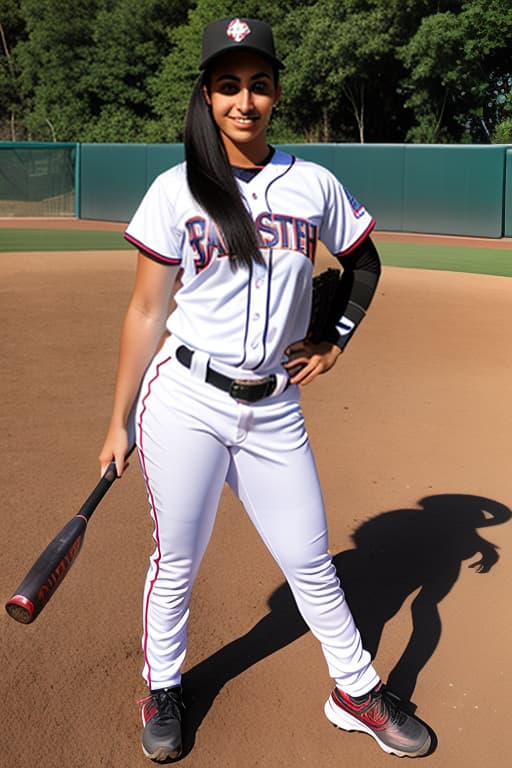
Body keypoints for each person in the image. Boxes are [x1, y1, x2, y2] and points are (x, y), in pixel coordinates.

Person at [99, 17, 431, 762]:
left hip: (274, 404)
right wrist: (118, 421)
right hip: (185, 398)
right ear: (208, 97)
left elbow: (364, 263)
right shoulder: (177, 188)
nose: (244, 101)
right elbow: (148, 309)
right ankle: (164, 684)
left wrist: (335, 339)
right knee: (176, 557)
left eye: (258, 85)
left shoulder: (312, 183)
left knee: (311, 558)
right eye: (228, 86)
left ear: (276, 93)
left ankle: (353, 689)